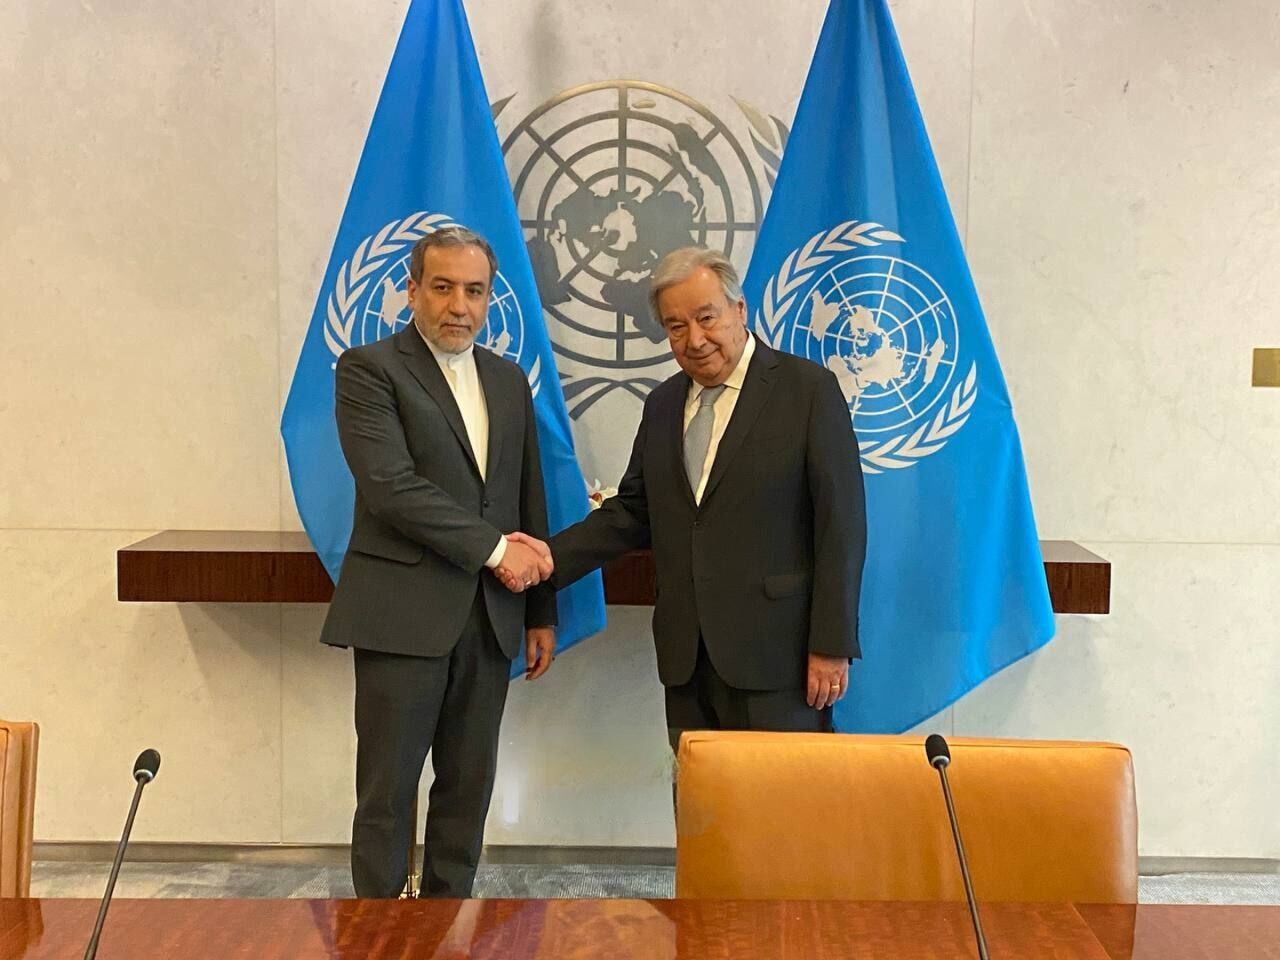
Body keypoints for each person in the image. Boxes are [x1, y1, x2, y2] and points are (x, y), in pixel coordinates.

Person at [505, 246, 866, 751]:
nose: (694, 339)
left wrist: (831, 644)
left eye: (707, 318)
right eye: (676, 326)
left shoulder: (807, 391)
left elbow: (841, 526)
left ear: (739, 309)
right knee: (696, 798)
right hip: (687, 661)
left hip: (780, 662)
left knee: (777, 799)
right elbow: (633, 511)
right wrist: (547, 558)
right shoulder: (663, 403)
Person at [319, 226, 557, 898]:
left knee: (467, 789)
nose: (459, 306)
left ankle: (448, 923)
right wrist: (497, 552)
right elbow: (390, 486)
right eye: (443, 287)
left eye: (474, 291)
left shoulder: (507, 379)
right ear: (412, 290)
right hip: (403, 615)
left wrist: (540, 610)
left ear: (489, 298)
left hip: (491, 618)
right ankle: (380, 932)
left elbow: (526, 494)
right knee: (387, 793)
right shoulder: (368, 369)